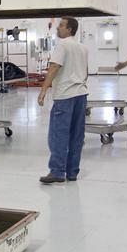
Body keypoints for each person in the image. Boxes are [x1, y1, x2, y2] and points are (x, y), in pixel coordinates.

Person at [37, 17, 90, 184]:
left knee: (58, 134)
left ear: (69, 30)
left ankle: (57, 171)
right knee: (76, 135)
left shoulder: (63, 45)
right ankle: (72, 171)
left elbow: (54, 67)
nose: (58, 28)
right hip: (81, 95)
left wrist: (44, 89)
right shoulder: (83, 47)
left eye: (61, 26)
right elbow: (86, 71)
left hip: (65, 96)